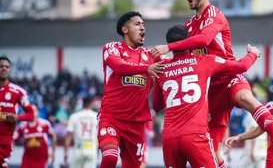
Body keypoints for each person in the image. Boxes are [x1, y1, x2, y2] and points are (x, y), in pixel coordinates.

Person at [150, 0, 273, 167]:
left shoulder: (216, 16)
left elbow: (204, 39)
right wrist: (168, 61)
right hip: (210, 89)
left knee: (246, 98)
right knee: (214, 152)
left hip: (229, 75)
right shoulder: (189, 25)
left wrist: (168, 47)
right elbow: (187, 59)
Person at [152, 25, 261, 168]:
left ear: (170, 44)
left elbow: (157, 106)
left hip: (169, 137)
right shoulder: (204, 61)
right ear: (189, 41)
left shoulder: (162, 68)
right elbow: (241, 67)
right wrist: (252, 54)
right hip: (195, 135)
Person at [97, 11, 165, 168]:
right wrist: (147, 68)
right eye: (137, 24)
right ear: (125, 29)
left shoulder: (151, 55)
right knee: (110, 158)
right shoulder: (112, 48)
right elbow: (119, 66)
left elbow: (176, 63)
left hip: (136, 123)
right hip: (111, 117)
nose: (142, 28)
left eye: (143, 25)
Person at [0, 56, 35, 167]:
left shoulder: (18, 92)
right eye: (1, 66)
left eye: (7, 67)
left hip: (4, 143)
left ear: (10, 70)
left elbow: (31, 114)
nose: (4, 69)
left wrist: (17, 117)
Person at [64, 97, 98, 168]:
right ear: (91, 104)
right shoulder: (96, 116)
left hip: (79, 148)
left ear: (82, 104)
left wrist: (65, 153)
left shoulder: (74, 116)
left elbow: (68, 137)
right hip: (91, 149)